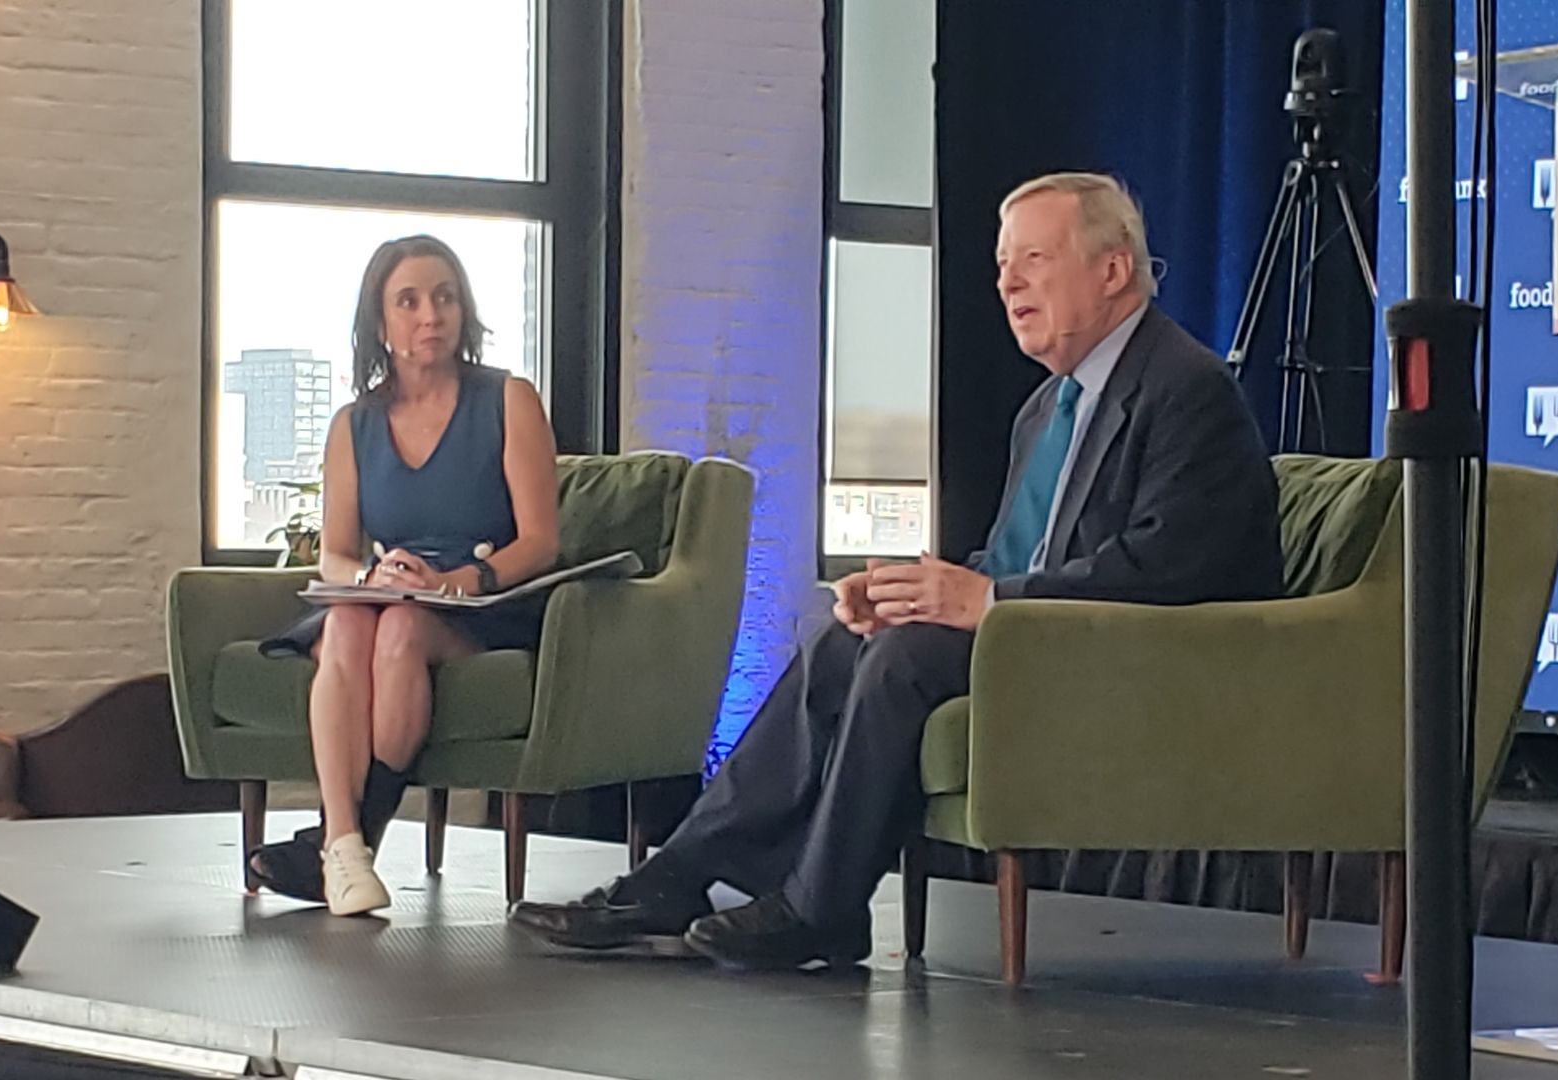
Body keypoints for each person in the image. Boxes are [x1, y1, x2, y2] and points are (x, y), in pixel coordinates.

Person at [511, 172, 1284, 969]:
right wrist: (913, 594)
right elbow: (1019, 560)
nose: (1008, 284)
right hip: (1044, 639)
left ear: (1113, 270)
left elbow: (1169, 566)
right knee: (846, 639)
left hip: (1145, 660)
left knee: (906, 657)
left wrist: (986, 600)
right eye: (1001, 266)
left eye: (1033, 259)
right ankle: (677, 879)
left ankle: (821, 908)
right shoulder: (1045, 409)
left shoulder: (1189, 389)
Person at [248, 235, 561, 916]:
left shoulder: (508, 399)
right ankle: (344, 845)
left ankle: (341, 842)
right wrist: (373, 574)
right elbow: (334, 554)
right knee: (347, 624)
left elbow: (541, 540)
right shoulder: (352, 424)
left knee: (398, 632)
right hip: (389, 593)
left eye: (444, 298)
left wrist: (464, 579)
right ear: (380, 322)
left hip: (482, 601)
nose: (430, 315)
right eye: (409, 301)